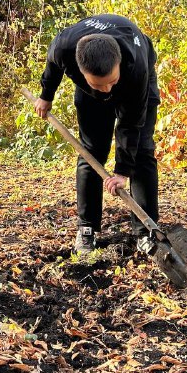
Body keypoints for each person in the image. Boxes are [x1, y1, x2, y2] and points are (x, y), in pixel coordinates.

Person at [33, 14, 160, 254]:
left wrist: (122, 172)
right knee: (92, 151)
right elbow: (52, 62)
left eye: (111, 82)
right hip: (89, 94)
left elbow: (131, 123)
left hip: (136, 83)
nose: (107, 90)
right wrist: (46, 95)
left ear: (119, 64)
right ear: (80, 71)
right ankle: (87, 229)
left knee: (142, 152)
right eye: (99, 84)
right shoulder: (65, 47)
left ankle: (146, 231)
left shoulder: (136, 68)